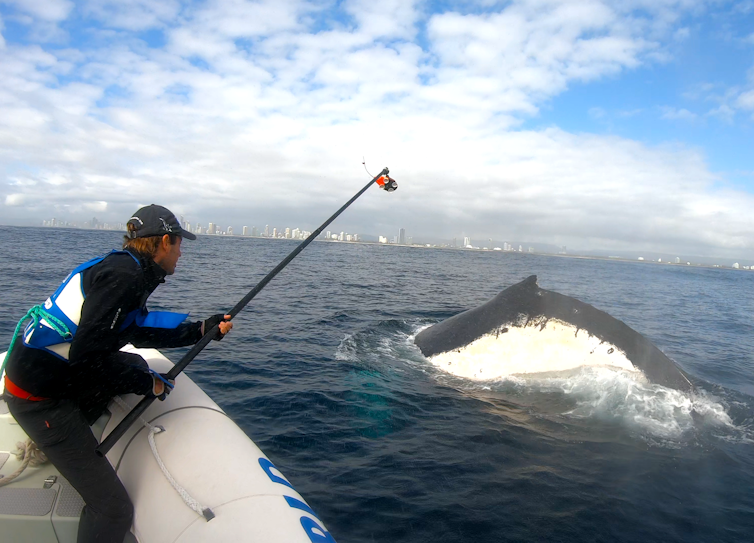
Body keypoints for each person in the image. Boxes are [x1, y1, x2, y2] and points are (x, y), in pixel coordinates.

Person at [2, 204, 233, 543]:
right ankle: (62, 441)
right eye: (180, 243)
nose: (182, 253)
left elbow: (134, 330)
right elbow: (87, 358)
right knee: (113, 510)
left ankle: (75, 435)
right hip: (40, 401)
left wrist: (199, 330)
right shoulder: (125, 277)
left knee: (136, 365)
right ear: (165, 241)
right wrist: (146, 384)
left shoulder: (127, 267)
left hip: (47, 376)